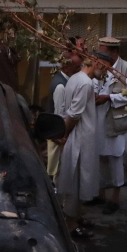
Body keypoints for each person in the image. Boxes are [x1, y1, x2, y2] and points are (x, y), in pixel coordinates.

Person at [56, 55, 100, 239]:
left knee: (79, 178)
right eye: (104, 67)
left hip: (81, 135)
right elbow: (74, 114)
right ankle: (70, 223)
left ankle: (76, 216)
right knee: (75, 178)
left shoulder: (76, 78)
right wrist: (64, 133)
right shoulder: (85, 83)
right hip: (79, 136)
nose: (105, 72)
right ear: (96, 63)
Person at [94, 39, 127, 215]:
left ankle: (115, 197)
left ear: (113, 52)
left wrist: (109, 97)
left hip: (117, 121)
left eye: (103, 52)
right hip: (100, 119)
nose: (99, 55)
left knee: (116, 158)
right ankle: (101, 193)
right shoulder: (101, 65)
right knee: (101, 157)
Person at [46, 52, 83, 180]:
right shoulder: (61, 86)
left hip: (57, 132)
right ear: (66, 67)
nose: (79, 70)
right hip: (58, 134)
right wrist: (60, 135)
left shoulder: (63, 80)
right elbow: (59, 113)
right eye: (77, 67)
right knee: (56, 169)